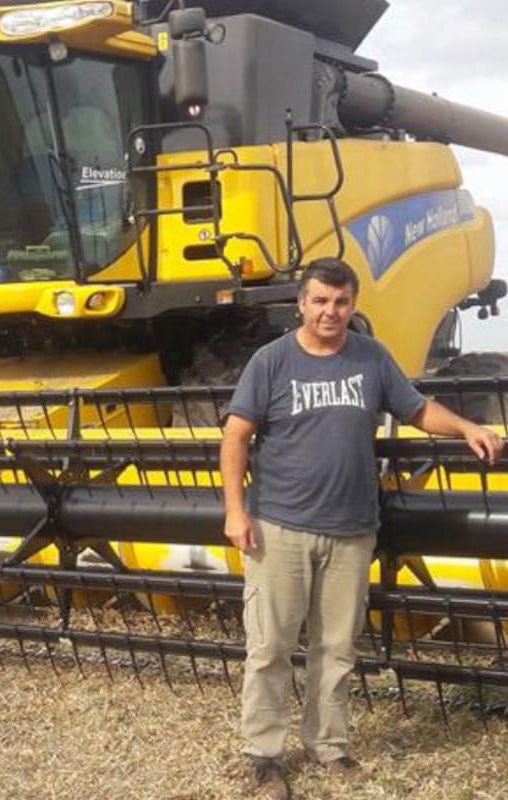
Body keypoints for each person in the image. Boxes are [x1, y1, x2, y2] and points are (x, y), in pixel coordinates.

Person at [219, 258, 504, 799]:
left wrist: (466, 427)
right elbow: (235, 438)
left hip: (352, 529)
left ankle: (329, 745)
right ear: (301, 304)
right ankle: (265, 757)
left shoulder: (371, 357)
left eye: (342, 302)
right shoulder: (271, 362)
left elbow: (418, 410)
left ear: (353, 305)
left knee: (337, 647)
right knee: (270, 647)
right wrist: (236, 512)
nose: (331, 311)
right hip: (280, 526)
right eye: (321, 300)